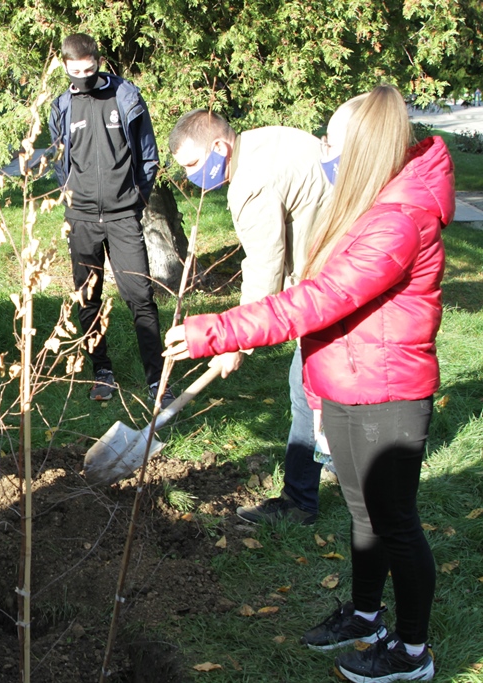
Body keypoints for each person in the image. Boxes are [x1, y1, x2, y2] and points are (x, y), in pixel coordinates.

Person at [165, 84, 451, 683]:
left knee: (394, 523)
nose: (325, 155)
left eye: (332, 146)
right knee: (363, 514)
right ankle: (366, 616)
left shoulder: (398, 220)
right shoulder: (367, 205)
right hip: (348, 381)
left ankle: (412, 653)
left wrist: (220, 331)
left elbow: (318, 299)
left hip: (387, 393)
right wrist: (317, 391)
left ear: (365, 150)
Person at [167, 102, 351, 525]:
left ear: (219, 147)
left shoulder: (249, 184)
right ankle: (344, 464)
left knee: (306, 388)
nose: (192, 176)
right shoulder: (269, 138)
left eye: (194, 164)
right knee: (334, 383)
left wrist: (236, 341)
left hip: (328, 282)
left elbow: (266, 267)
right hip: (345, 262)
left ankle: (300, 502)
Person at [48, 33, 169, 406]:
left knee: (141, 297)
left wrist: (136, 200)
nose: (83, 77)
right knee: (88, 298)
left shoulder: (126, 97)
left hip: (123, 216)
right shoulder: (61, 107)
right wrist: (72, 197)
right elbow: (60, 161)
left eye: (89, 70)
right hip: (81, 219)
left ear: (98, 63)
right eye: (76, 71)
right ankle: (101, 373)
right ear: (65, 67)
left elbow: (148, 156)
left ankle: (157, 380)